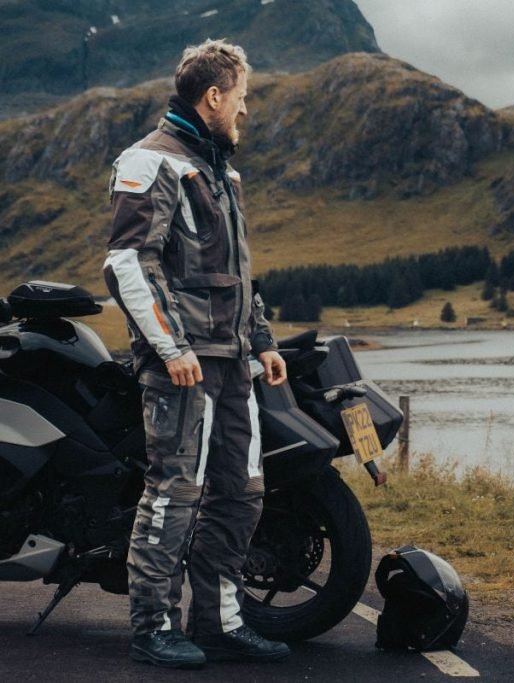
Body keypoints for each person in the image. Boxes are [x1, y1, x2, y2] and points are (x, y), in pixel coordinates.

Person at [103, 39, 289, 669]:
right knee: (173, 494)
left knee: (242, 493)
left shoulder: (222, 172)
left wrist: (260, 340)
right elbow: (129, 261)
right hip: (182, 363)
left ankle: (219, 623)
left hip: (231, 360)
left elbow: (235, 272)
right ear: (213, 96)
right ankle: (153, 627)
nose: (245, 110)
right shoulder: (150, 162)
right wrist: (170, 344)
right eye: (240, 97)